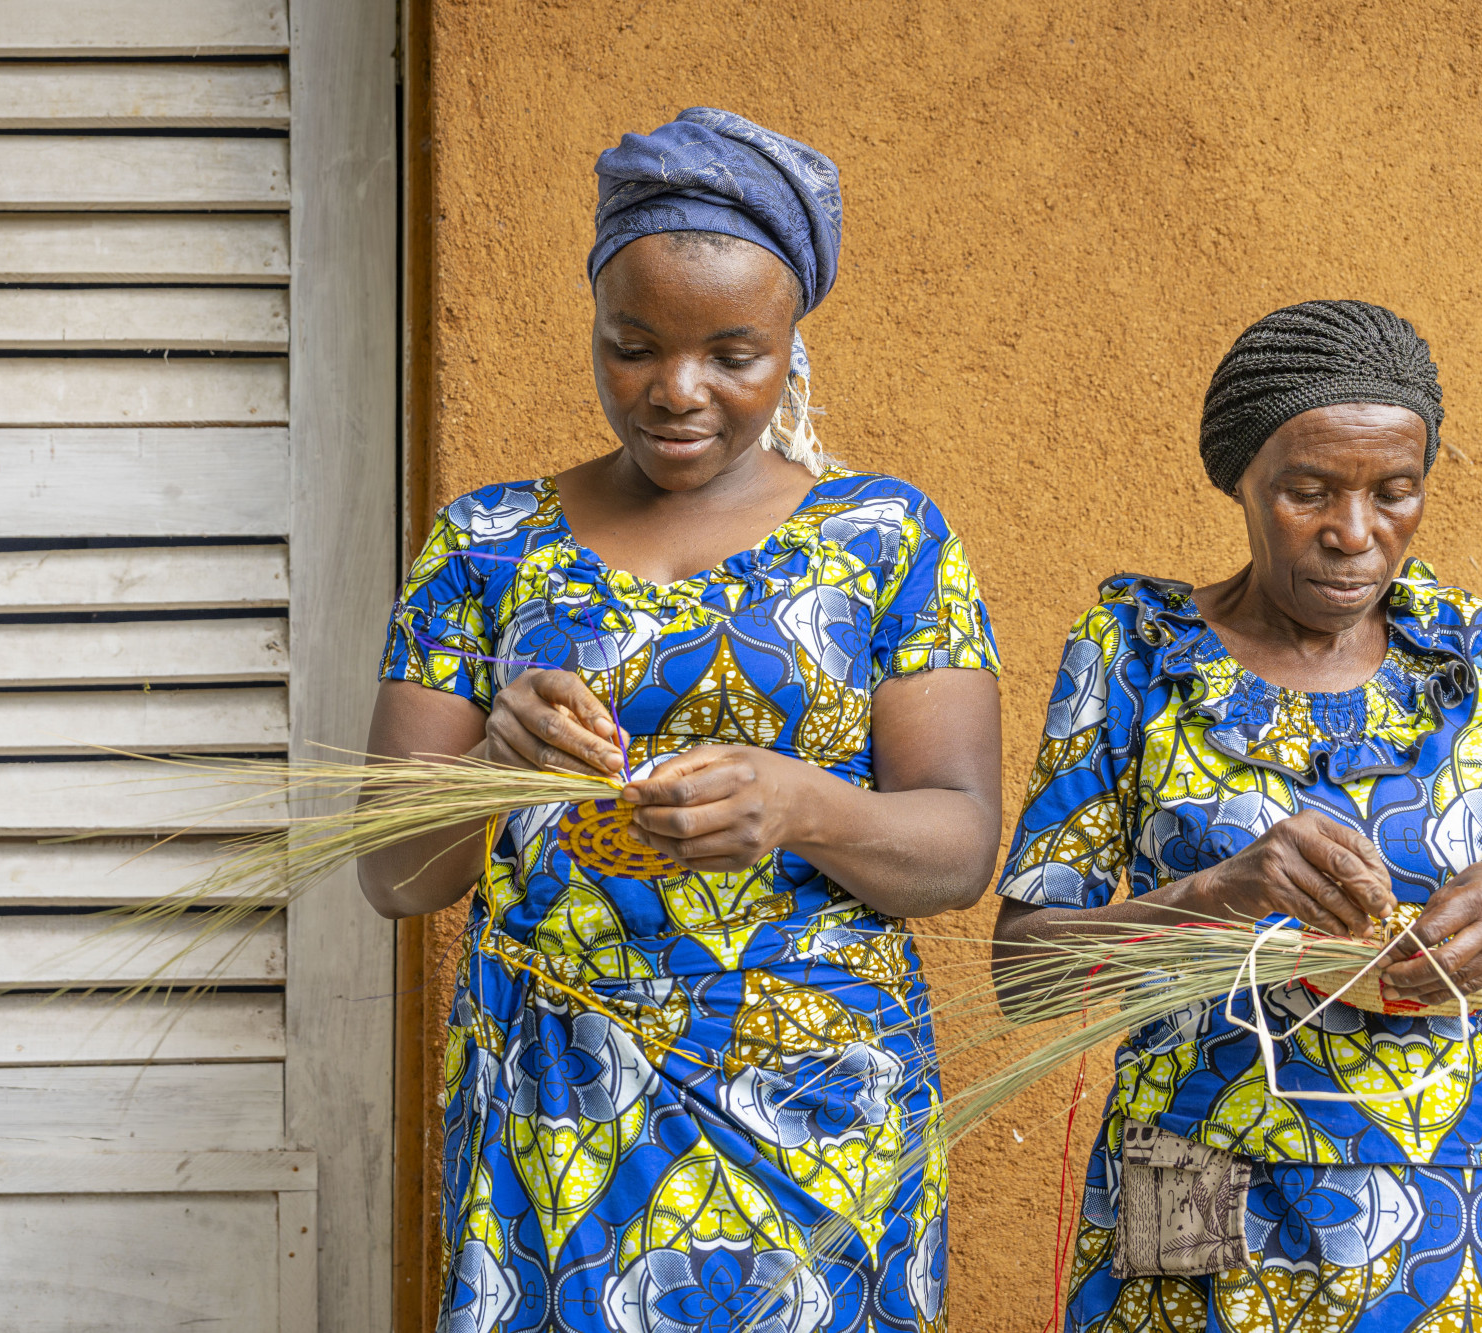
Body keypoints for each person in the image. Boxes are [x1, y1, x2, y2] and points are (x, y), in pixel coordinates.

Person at [361, 108, 1002, 1333]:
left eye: (732, 352)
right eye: (633, 346)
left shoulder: (886, 540)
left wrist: (801, 801)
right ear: (595, 331)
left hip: (821, 1106)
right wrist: (493, 765)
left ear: (792, 345)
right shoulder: (484, 544)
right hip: (556, 1102)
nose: (675, 390)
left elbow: (960, 850)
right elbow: (393, 878)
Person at [992, 301, 1482, 1332]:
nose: (1353, 531)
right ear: (1238, 478)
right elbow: (1024, 973)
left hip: (1455, 1189)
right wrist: (1214, 893)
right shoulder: (1134, 654)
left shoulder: (1466, 654)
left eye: (1394, 491)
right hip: (1191, 1170)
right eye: (1307, 490)